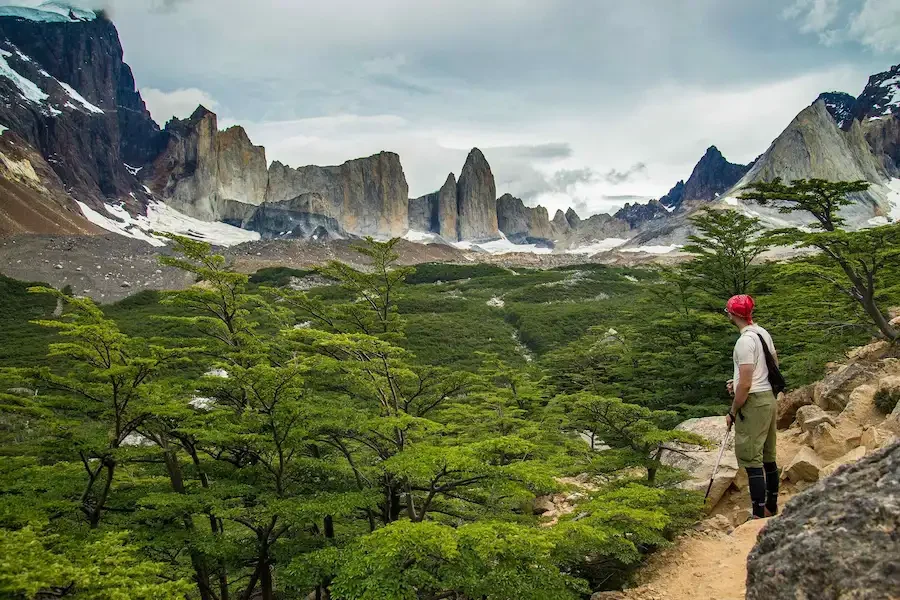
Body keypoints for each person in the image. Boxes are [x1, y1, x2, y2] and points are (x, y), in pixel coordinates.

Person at [724, 294, 779, 519]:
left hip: (753, 402)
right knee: (768, 455)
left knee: (751, 459)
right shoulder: (762, 332)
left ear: (733, 314)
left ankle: (757, 515)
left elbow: (746, 384)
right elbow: (774, 364)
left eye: (727, 311)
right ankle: (771, 506)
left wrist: (733, 410)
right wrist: (736, 382)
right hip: (768, 397)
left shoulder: (744, 342)